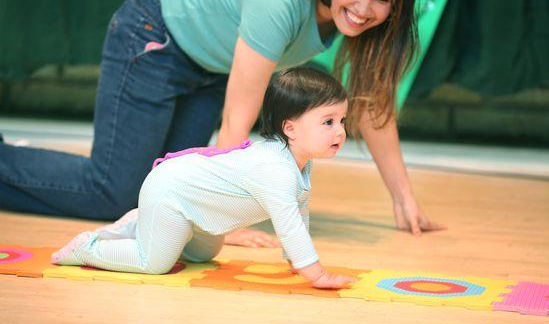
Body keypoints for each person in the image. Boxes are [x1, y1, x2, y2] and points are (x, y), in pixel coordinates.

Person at [0, 0, 444, 248]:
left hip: (207, 66)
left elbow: (372, 104)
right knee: (113, 192)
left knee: (164, 190)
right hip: (154, 31)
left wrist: (404, 199)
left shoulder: (367, 20)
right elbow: (239, 114)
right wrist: (226, 222)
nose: (365, 9)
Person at [51, 68, 355, 289]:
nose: (340, 131)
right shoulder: (275, 169)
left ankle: (144, 222)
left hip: (201, 213)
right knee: (154, 263)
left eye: (341, 120)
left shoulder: (299, 163)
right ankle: (88, 247)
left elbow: (299, 213)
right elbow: (289, 227)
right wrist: (315, 273)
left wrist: (293, 260)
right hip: (170, 191)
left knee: (204, 254)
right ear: (290, 129)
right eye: (328, 122)